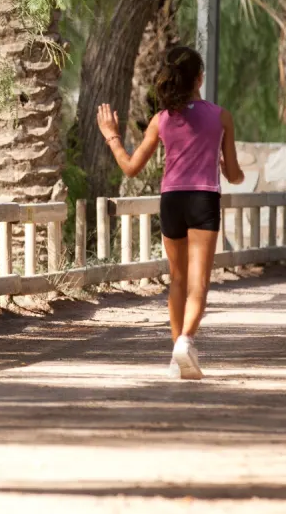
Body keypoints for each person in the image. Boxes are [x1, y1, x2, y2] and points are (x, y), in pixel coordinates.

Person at [97, 46, 245, 380]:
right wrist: (230, 170)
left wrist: (111, 137)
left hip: (171, 201)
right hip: (203, 200)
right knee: (199, 283)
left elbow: (131, 167)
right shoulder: (221, 117)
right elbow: (234, 174)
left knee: (178, 280)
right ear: (199, 79)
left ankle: (176, 355)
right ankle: (186, 341)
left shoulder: (162, 120)